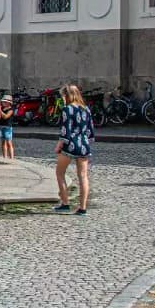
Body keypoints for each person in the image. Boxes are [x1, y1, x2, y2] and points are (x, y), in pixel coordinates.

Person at [54, 84, 94, 215]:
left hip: (70, 144)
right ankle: (82, 208)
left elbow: (65, 130)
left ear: (67, 95)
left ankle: (65, 203)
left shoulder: (67, 109)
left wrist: (59, 145)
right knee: (83, 176)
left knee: (60, 173)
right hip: (83, 144)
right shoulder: (86, 109)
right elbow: (90, 130)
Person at [0, 93, 16, 159]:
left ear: (8, 103)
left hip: (7, 127)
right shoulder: (2, 109)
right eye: (3, 102)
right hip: (0, 126)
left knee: (9, 142)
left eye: (5, 102)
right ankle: (4, 157)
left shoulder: (11, 110)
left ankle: (11, 158)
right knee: (3, 142)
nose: (3, 103)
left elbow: (6, 117)